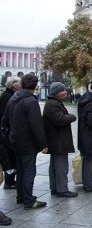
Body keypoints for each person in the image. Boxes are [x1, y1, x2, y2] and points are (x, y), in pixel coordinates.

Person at [3, 74, 48, 209]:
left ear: (22, 84)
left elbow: (5, 120)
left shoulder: (13, 98)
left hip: (14, 141)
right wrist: (43, 144)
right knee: (29, 171)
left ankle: (21, 197)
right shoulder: (30, 101)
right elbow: (37, 126)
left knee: (21, 170)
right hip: (27, 142)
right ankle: (29, 200)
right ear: (35, 86)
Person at [43, 82, 77, 198]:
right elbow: (60, 120)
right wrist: (72, 117)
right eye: (63, 90)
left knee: (55, 166)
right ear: (57, 92)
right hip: (58, 141)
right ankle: (62, 189)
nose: (65, 92)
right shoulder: (52, 104)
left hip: (56, 140)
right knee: (61, 166)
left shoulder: (53, 103)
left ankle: (55, 188)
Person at [0, 76, 21, 189]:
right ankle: (9, 182)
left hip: (6, 131)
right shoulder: (8, 97)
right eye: (19, 85)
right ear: (13, 86)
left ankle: (11, 180)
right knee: (9, 158)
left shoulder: (8, 95)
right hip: (7, 133)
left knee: (10, 158)